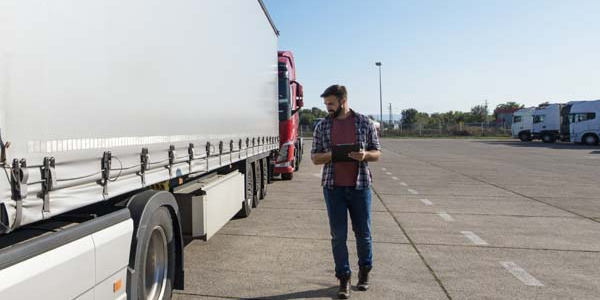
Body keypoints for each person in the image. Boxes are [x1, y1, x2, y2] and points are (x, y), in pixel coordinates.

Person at [311, 84, 381, 299]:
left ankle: (365, 271)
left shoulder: (363, 122)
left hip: (360, 187)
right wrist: (332, 154)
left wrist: (365, 156)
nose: (327, 108)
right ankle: (344, 278)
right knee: (338, 236)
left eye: (331, 104)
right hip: (333, 189)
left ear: (343, 101)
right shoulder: (322, 126)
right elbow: (315, 158)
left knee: (363, 234)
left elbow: (377, 152)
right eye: (326, 104)